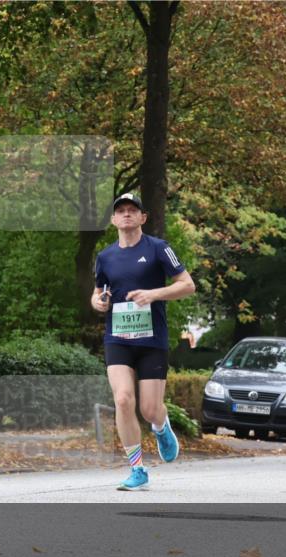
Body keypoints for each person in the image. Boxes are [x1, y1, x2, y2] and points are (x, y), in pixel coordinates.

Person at [91, 193, 195, 490]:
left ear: (142, 218)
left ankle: (161, 426)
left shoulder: (158, 249)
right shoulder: (105, 256)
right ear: (113, 220)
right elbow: (97, 293)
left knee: (150, 408)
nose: (126, 215)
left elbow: (188, 285)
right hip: (118, 338)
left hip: (152, 339)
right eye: (120, 211)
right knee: (123, 399)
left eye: (132, 210)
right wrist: (99, 303)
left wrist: (153, 294)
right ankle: (137, 469)